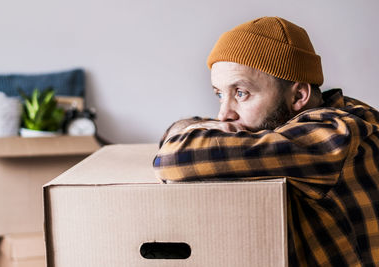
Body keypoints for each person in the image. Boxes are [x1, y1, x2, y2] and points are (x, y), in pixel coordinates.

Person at [153, 16, 379, 266]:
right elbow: (180, 135)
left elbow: (174, 158)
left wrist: (191, 133)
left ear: (299, 95)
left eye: (241, 93)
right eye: (219, 94)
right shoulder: (292, 126)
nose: (223, 114)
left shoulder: (334, 134)